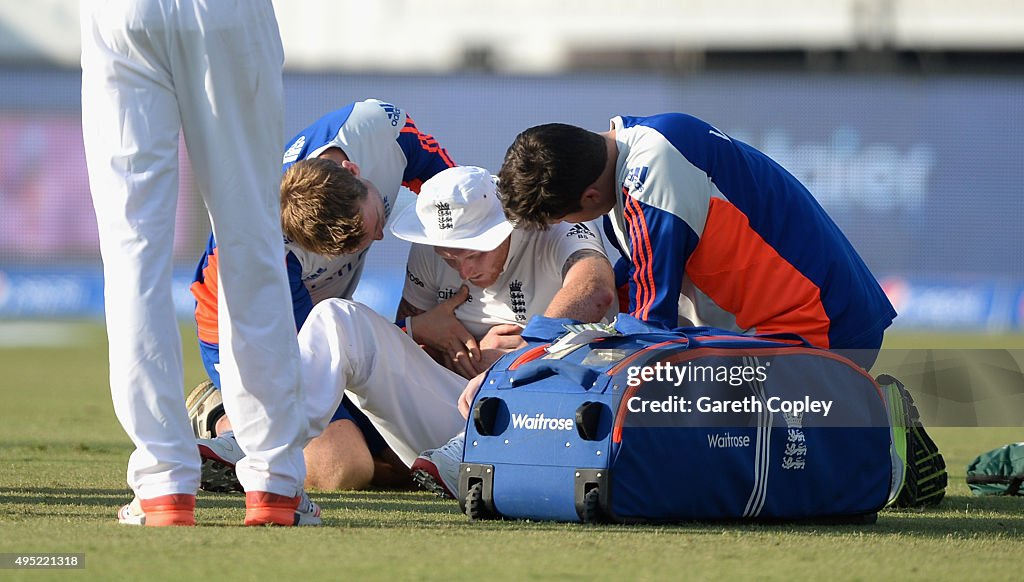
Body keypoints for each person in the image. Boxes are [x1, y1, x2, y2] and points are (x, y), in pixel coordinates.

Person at [494, 113, 946, 508]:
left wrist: (546, 357)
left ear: (589, 198)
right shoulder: (636, 144)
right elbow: (631, 292)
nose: (572, 227)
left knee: (688, 427)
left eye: (565, 219)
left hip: (821, 336)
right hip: (798, 328)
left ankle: (874, 431)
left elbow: (652, 328)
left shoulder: (650, 178)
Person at [195, 165, 617, 496]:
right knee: (337, 317)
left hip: (545, 419)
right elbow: (407, 361)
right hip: (455, 413)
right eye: (450, 256)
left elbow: (595, 289)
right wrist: (425, 336)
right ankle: (262, 441)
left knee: (349, 467)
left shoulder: (555, 226)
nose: (464, 270)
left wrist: (519, 358)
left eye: (473, 252)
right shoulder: (431, 252)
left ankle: (231, 421)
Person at [80, 0, 316, 526]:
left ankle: (163, 483)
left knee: (131, 251)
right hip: (225, 14)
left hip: (121, 13)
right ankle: (274, 482)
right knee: (251, 236)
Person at [189, 99, 457, 492]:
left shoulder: (376, 126)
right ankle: (224, 416)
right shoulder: (261, 249)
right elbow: (298, 353)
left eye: (375, 221)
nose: (381, 236)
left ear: (352, 169)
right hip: (240, 336)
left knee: (406, 446)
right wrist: (414, 331)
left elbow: (449, 193)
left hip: (322, 328)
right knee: (343, 468)